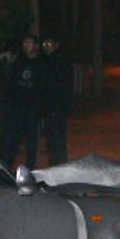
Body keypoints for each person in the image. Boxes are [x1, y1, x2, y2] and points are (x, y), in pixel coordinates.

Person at [0, 34, 46, 170]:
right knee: (11, 141)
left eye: (29, 43)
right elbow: (10, 84)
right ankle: (6, 169)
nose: (26, 45)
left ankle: (31, 171)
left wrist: (41, 107)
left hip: (32, 109)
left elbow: (44, 87)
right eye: (24, 43)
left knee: (31, 143)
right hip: (15, 108)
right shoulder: (18, 62)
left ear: (36, 46)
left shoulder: (41, 63)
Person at [40, 36, 74, 166]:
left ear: (56, 45)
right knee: (51, 138)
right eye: (44, 44)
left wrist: (59, 106)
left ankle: (60, 163)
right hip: (49, 107)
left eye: (49, 44)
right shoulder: (45, 61)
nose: (46, 46)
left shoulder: (60, 61)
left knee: (58, 137)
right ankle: (55, 162)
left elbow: (61, 86)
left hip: (58, 107)